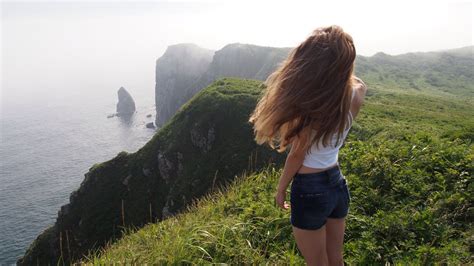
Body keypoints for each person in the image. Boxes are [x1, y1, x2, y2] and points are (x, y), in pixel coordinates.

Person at [248, 25, 368, 265]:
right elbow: (354, 81)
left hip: (310, 188)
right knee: (336, 257)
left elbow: (297, 155)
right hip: (337, 184)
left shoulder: (313, 108)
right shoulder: (357, 94)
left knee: (317, 262)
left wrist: (281, 188)